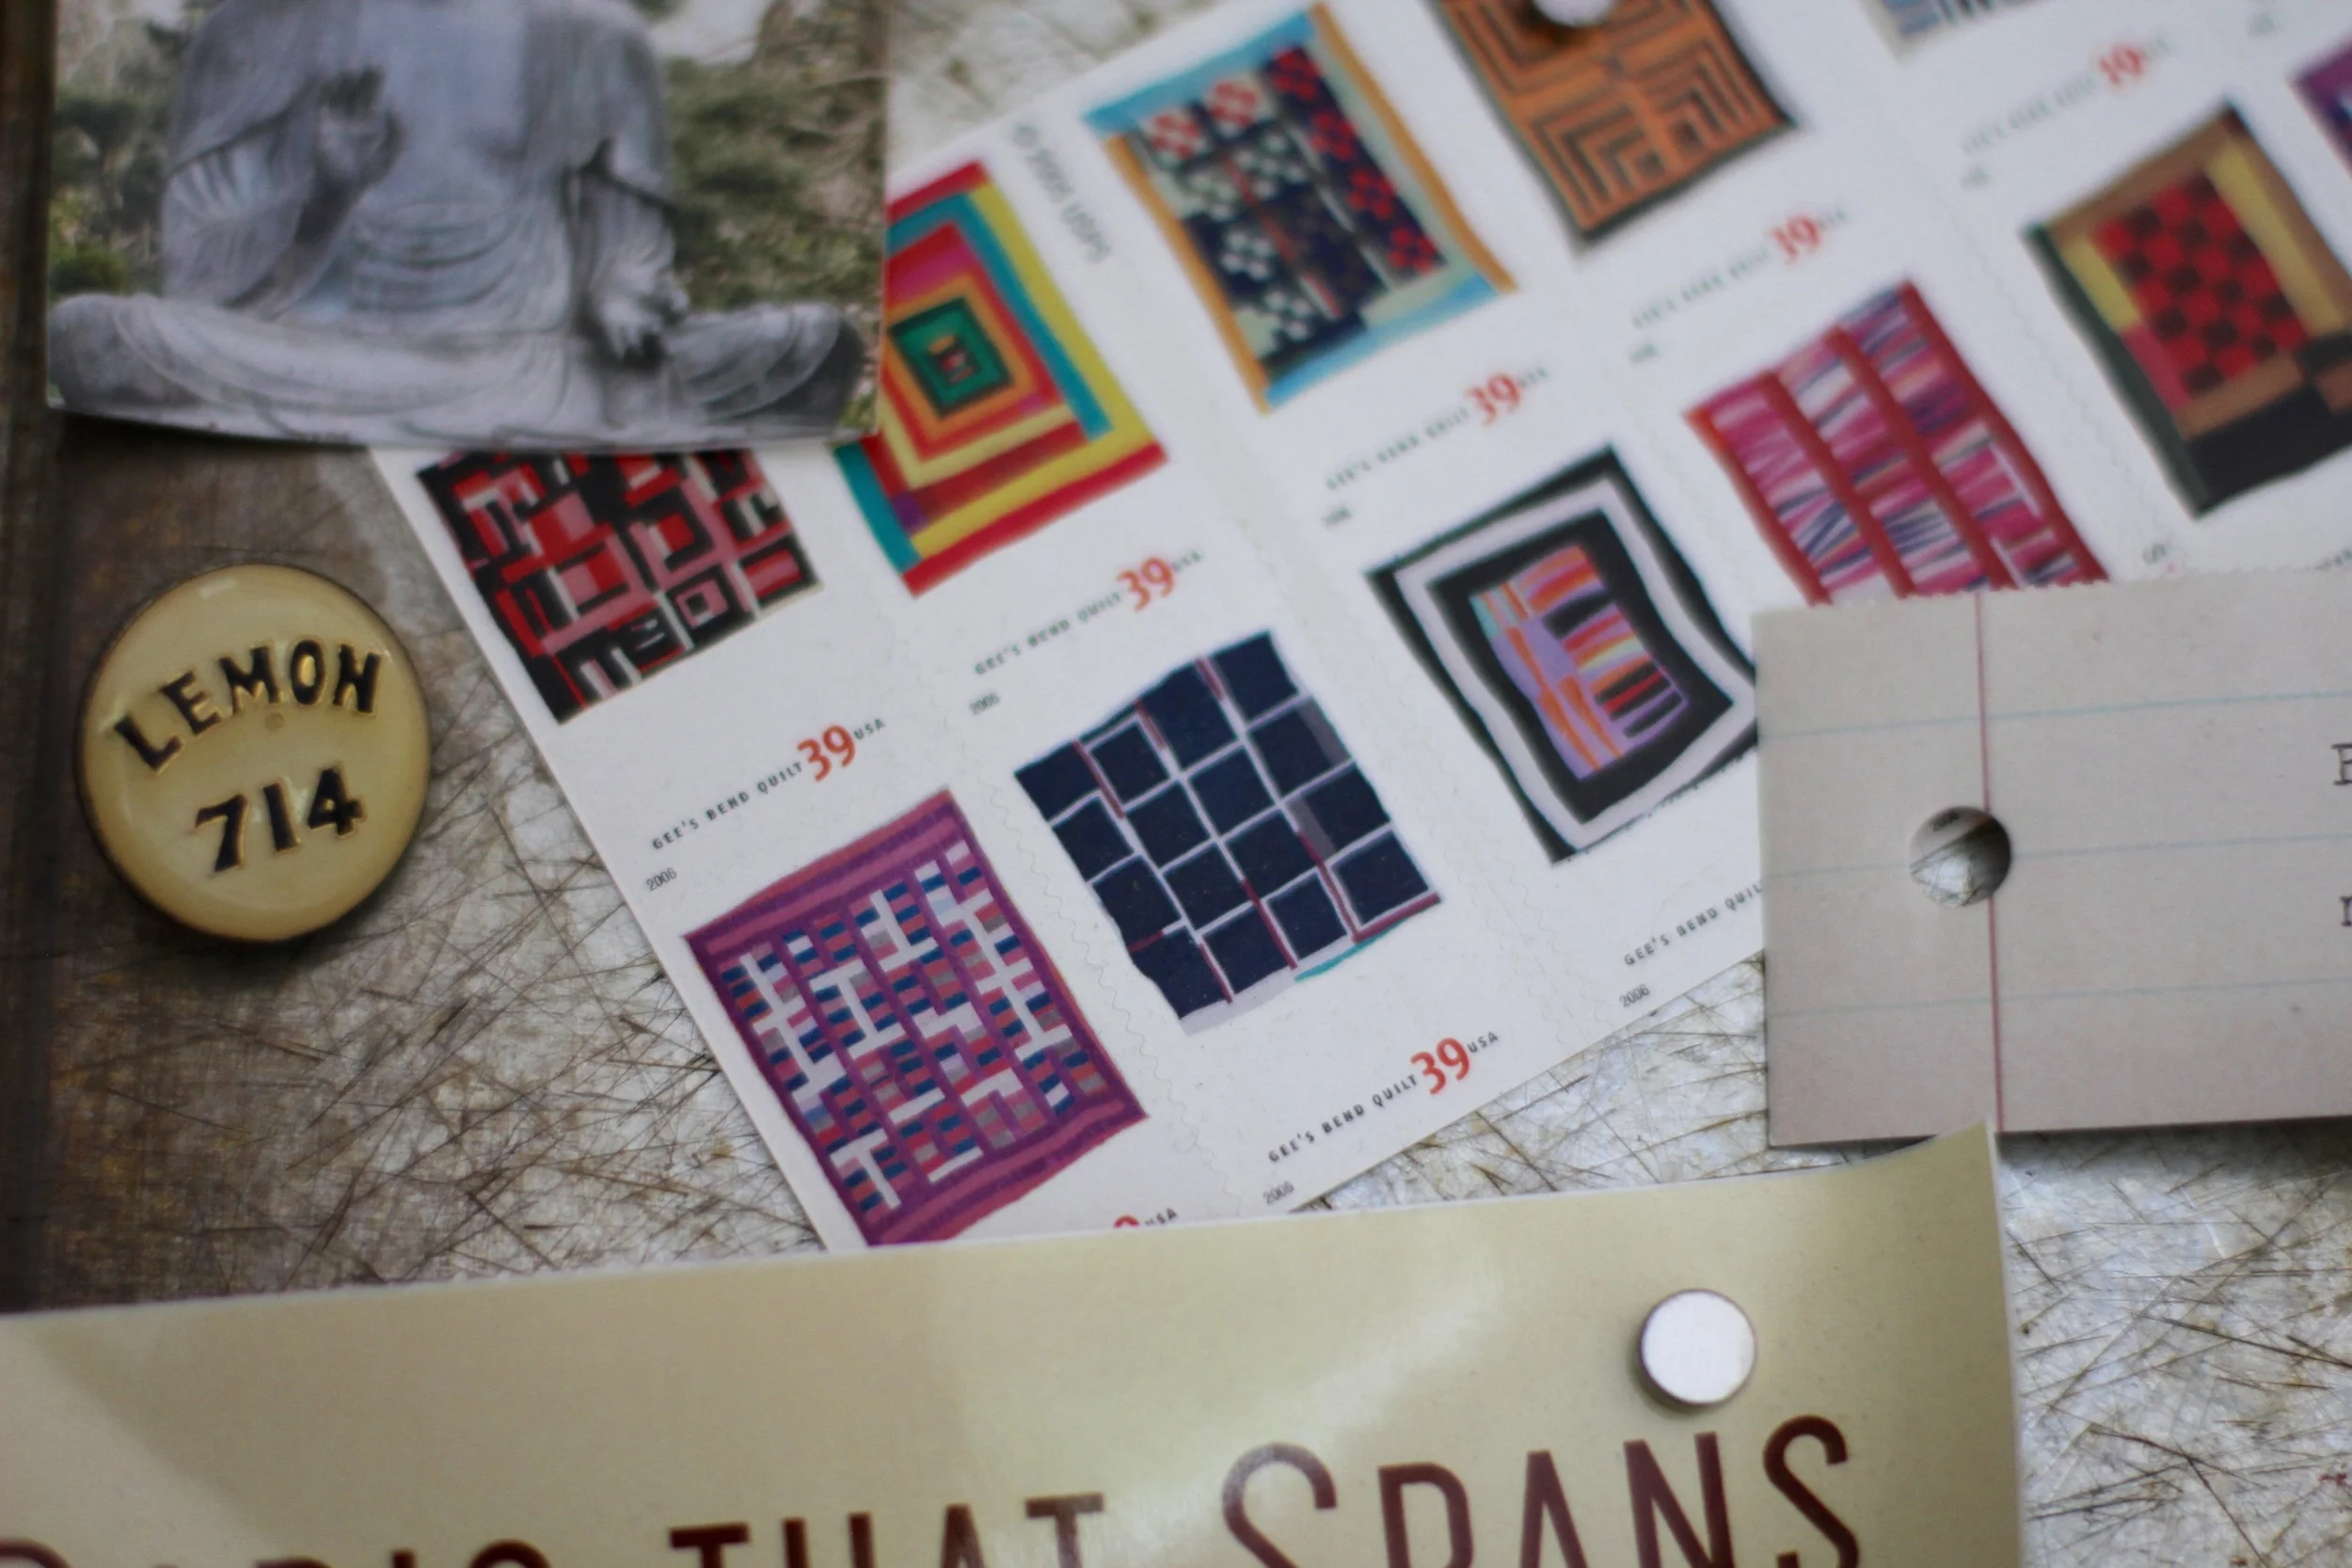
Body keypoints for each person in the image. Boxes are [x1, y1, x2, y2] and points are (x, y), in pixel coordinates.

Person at [48, 0, 864, 446]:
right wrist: (329, 189)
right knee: (98, 336)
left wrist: (623, 293)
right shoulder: (262, 23)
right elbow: (198, 276)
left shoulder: (589, 30)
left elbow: (626, 238)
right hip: (321, 360)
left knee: (813, 344)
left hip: (532, 362)